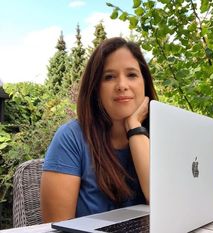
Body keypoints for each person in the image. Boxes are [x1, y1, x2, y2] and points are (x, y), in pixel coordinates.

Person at [40, 37, 158, 222]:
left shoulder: (159, 135)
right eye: (109, 77)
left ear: (145, 82)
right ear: (95, 89)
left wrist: (134, 127)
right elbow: (56, 227)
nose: (122, 85)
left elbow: (165, 207)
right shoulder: (71, 138)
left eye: (132, 75)